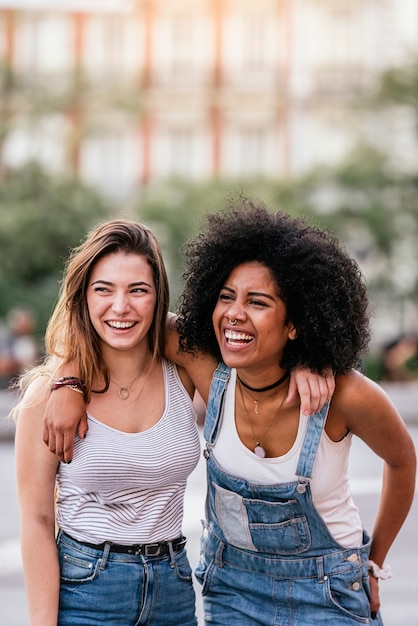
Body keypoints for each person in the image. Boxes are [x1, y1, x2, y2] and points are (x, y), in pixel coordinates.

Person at [16, 217, 331, 626]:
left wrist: (306, 360)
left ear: (158, 297)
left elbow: (256, 357)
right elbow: (38, 522)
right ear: (84, 297)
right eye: (103, 290)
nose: (121, 306)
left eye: (138, 290)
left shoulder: (182, 367)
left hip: (174, 585)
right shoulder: (45, 398)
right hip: (87, 588)